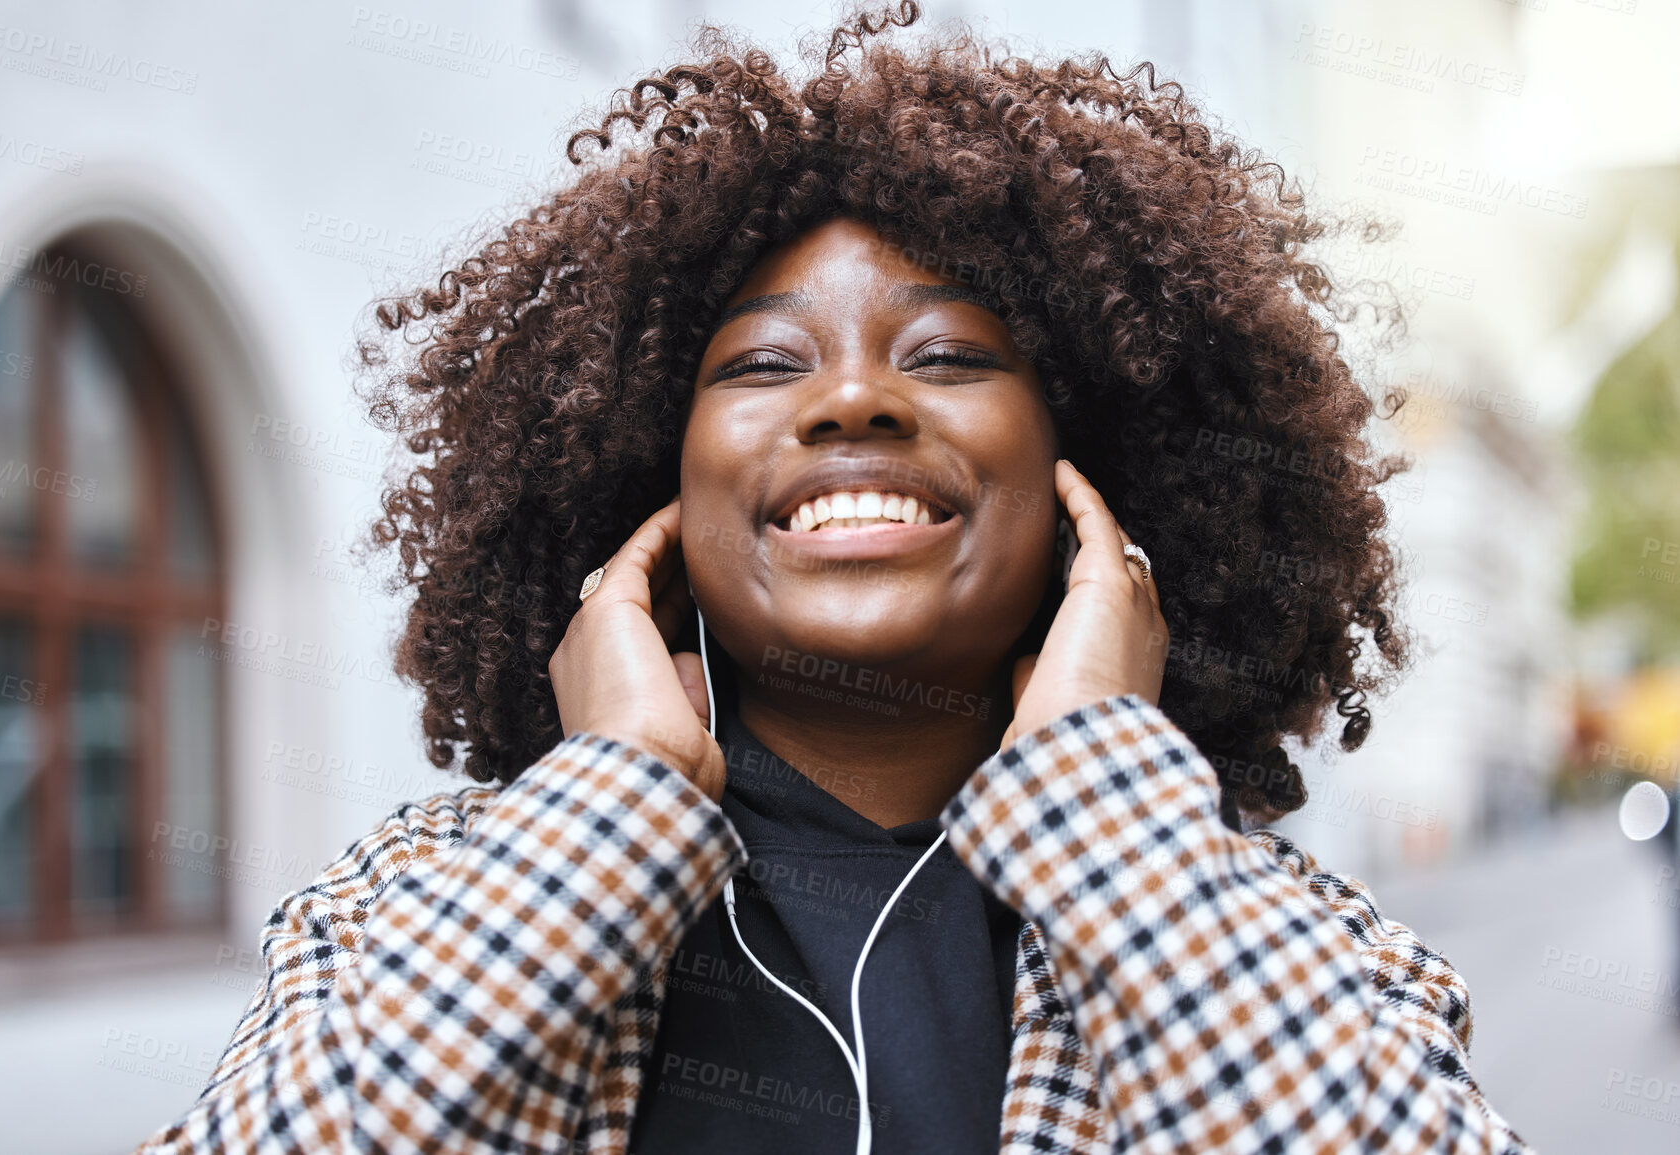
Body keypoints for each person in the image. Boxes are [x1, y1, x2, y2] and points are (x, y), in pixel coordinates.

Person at [136, 4, 1532, 1152]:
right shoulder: (404, 905)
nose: (853, 399)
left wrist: (1112, 804)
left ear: (1093, 489)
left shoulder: (1301, 947)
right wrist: (610, 794)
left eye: (946, 357)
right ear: (651, 490)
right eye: (760, 365)